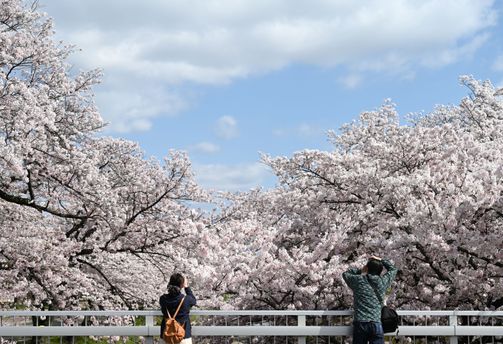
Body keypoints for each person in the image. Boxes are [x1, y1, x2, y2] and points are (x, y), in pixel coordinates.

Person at [342, 256, 398, 344]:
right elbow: (393, 269)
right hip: (376, 322)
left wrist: (361, 271)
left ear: (367, 268)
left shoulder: (358, 280)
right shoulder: (382, 282)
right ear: (380, 270)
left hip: (361, 323)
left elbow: (345, 273)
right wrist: (380, 259)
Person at [160, 273, 197, 343]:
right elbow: (194, 300)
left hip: (166, 337)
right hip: (183, 337)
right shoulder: (186, 299)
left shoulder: (163, 299)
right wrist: (186, 287)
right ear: (182, 285)